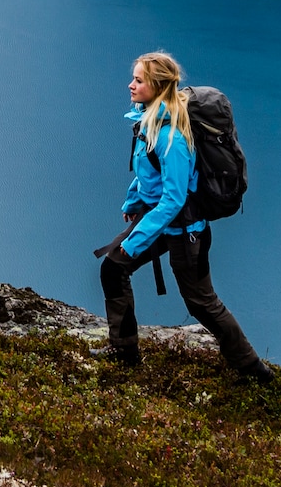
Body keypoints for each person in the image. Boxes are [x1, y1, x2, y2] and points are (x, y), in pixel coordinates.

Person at [95, 52, 271, 378]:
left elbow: (174, 199)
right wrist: (132, 202)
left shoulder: (172, 137)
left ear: (158, 86)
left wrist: (136, 241)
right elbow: (147, 173)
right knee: (112, 269)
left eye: (138, 80)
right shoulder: (148, 118)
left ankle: (252, 369)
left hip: (186, 231)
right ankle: (124, 353)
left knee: (202, 303)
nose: (130, 85)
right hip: (160, 223)